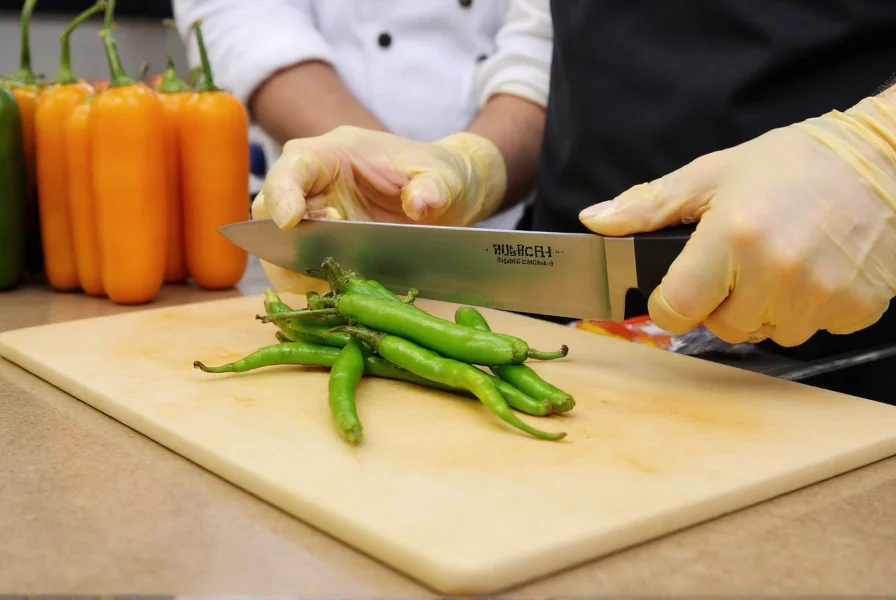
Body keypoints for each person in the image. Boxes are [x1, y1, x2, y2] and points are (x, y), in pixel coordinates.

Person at [246, 0, 896, 349]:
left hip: (847, 332)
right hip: (582, 338)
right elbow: (551, 39)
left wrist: (879, 155)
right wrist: (472, 165)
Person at [171, 0, 542, 232]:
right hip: (336, 212)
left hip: (510, 214)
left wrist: (470, 171)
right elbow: (248, 21)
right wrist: (369, 172)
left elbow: (542, 48)